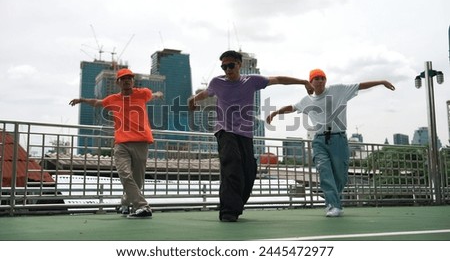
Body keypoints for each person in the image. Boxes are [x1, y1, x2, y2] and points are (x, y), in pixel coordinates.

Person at [188, 50, 314, 222]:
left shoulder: (252, 81)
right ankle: (228, 212)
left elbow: (278, 80)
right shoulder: (217, 82)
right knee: (232, 164)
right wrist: (192, 101)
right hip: (224, 131)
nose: (228, 70)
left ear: (240, 64)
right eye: (224, 67)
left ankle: (236, 205)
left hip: (245, 134)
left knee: (249, 170)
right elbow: (203, 94)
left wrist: (303, 82)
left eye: (231, 65)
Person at [266, 68, 395, 217]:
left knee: (340, 176)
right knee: (324, 171)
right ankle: (334, 205)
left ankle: (333, 201)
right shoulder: (307, 101)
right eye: (317, 78)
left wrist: (381, 82)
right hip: (319, 140)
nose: (320, 81)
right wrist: (275, 113)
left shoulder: (338, 90)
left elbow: (360, 85)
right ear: (310, 82)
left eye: (322, 78)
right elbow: (292, 108)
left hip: (338, 139)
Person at [69, 68, 163, 219]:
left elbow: (152, 95)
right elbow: (97, 102)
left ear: (133, 81)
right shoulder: (112, 99)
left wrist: (158, 94)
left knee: (137, 180)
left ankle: (125, 204)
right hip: (121, 143)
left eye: (129, 78)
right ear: (118, 82)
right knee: (124, 174)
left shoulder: (142, 93)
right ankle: (143, 207)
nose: (127, 81)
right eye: (123, 78)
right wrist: (82, 100)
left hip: (141, 141)